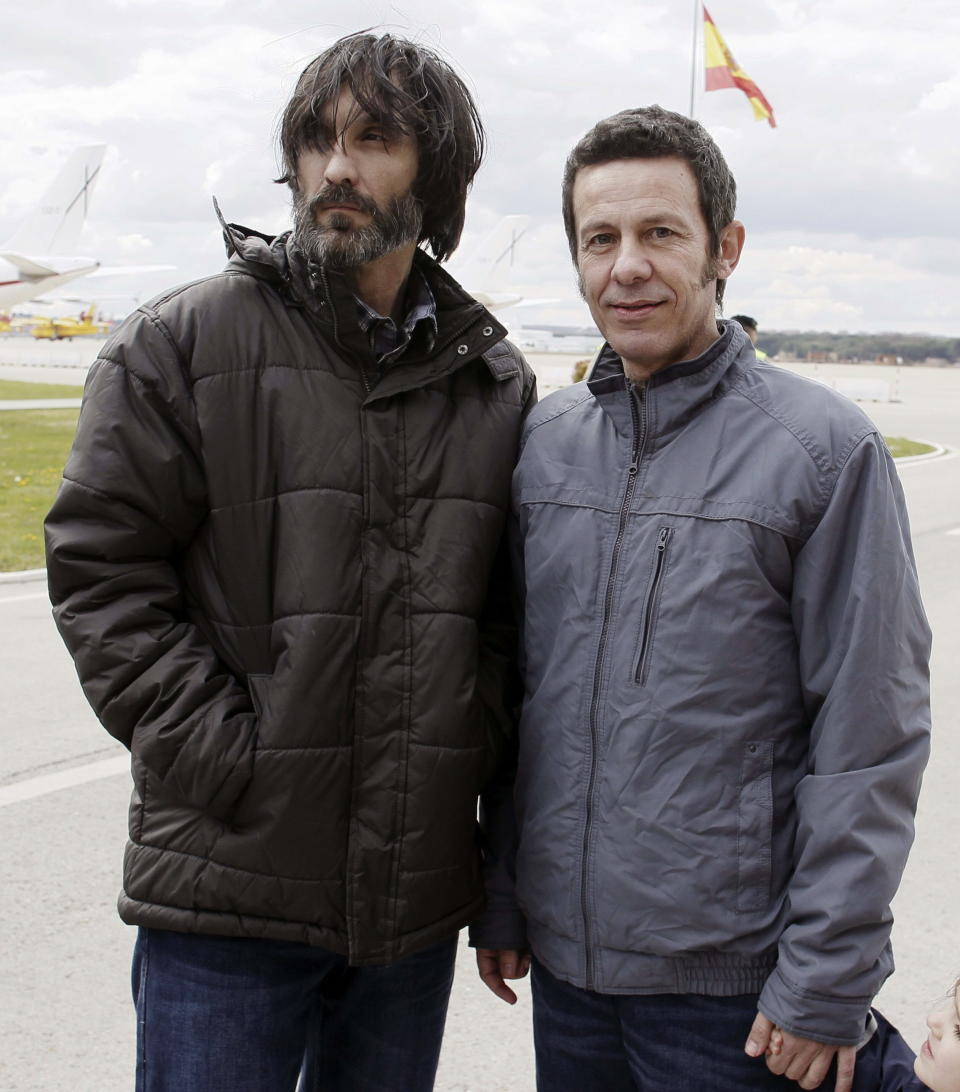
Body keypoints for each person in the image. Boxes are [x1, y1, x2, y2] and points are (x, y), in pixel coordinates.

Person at [44, 31, 534, 1092]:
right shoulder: (178, 342)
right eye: (315, 141)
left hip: (409, 910)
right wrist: (232, 761)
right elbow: (101, 573)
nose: (337, 168)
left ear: (435, 173)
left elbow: (505, 633)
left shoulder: (493, 384)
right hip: (228, 894)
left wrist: (459, 777)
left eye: (374, 139)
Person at [471, 105, 931, 1091]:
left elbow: (871, 734)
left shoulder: (821, 452)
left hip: (737, 996)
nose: (626, 265)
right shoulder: (543, 449)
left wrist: (827, 980)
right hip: (572, 980)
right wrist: (506, 893)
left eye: (659, 233)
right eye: (601, 239)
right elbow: (526, 701)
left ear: (725, 248)